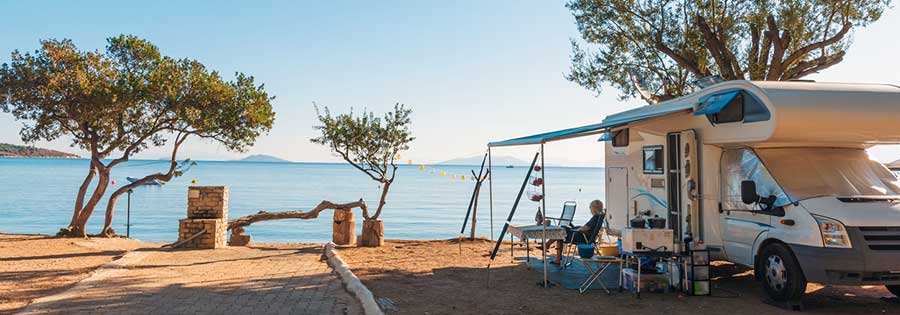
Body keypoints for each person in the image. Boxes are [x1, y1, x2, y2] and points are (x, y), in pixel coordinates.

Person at [551, 199, 604, 264]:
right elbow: (587, 228)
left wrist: (577, 229)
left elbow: (585, 228)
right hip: (585, 236)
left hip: (582, 237)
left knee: (561, 231)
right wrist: (578, 228)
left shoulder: (595, 218)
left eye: (590, 207)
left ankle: (552, 252)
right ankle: (555, 256)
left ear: (594, 209)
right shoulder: (598, 217)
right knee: (561, 231)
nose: (590, 209)